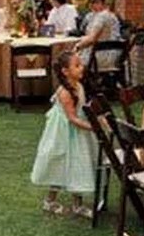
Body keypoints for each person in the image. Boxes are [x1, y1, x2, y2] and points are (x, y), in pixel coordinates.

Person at [30, 51, 97, 219]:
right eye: (77, 65)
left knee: (78, 164)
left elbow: (81, 110)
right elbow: (72, 119)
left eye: (81, 64)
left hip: (76, 131)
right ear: (65, 71)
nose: (82, 67)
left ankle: (77, 204)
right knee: (60, 164)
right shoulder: (65, 92)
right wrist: (93, 127)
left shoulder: (79, 86)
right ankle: (50, 201)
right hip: (64, 132)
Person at [74, 0, 122, 71]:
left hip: (101, 56)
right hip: (114, 56)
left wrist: (77, 46)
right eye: (91, 3)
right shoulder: (110, 15)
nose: (93, 6)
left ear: (103, 4)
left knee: (69, 62)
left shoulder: (102, 16)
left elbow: (92, 38)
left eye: (96, 3)